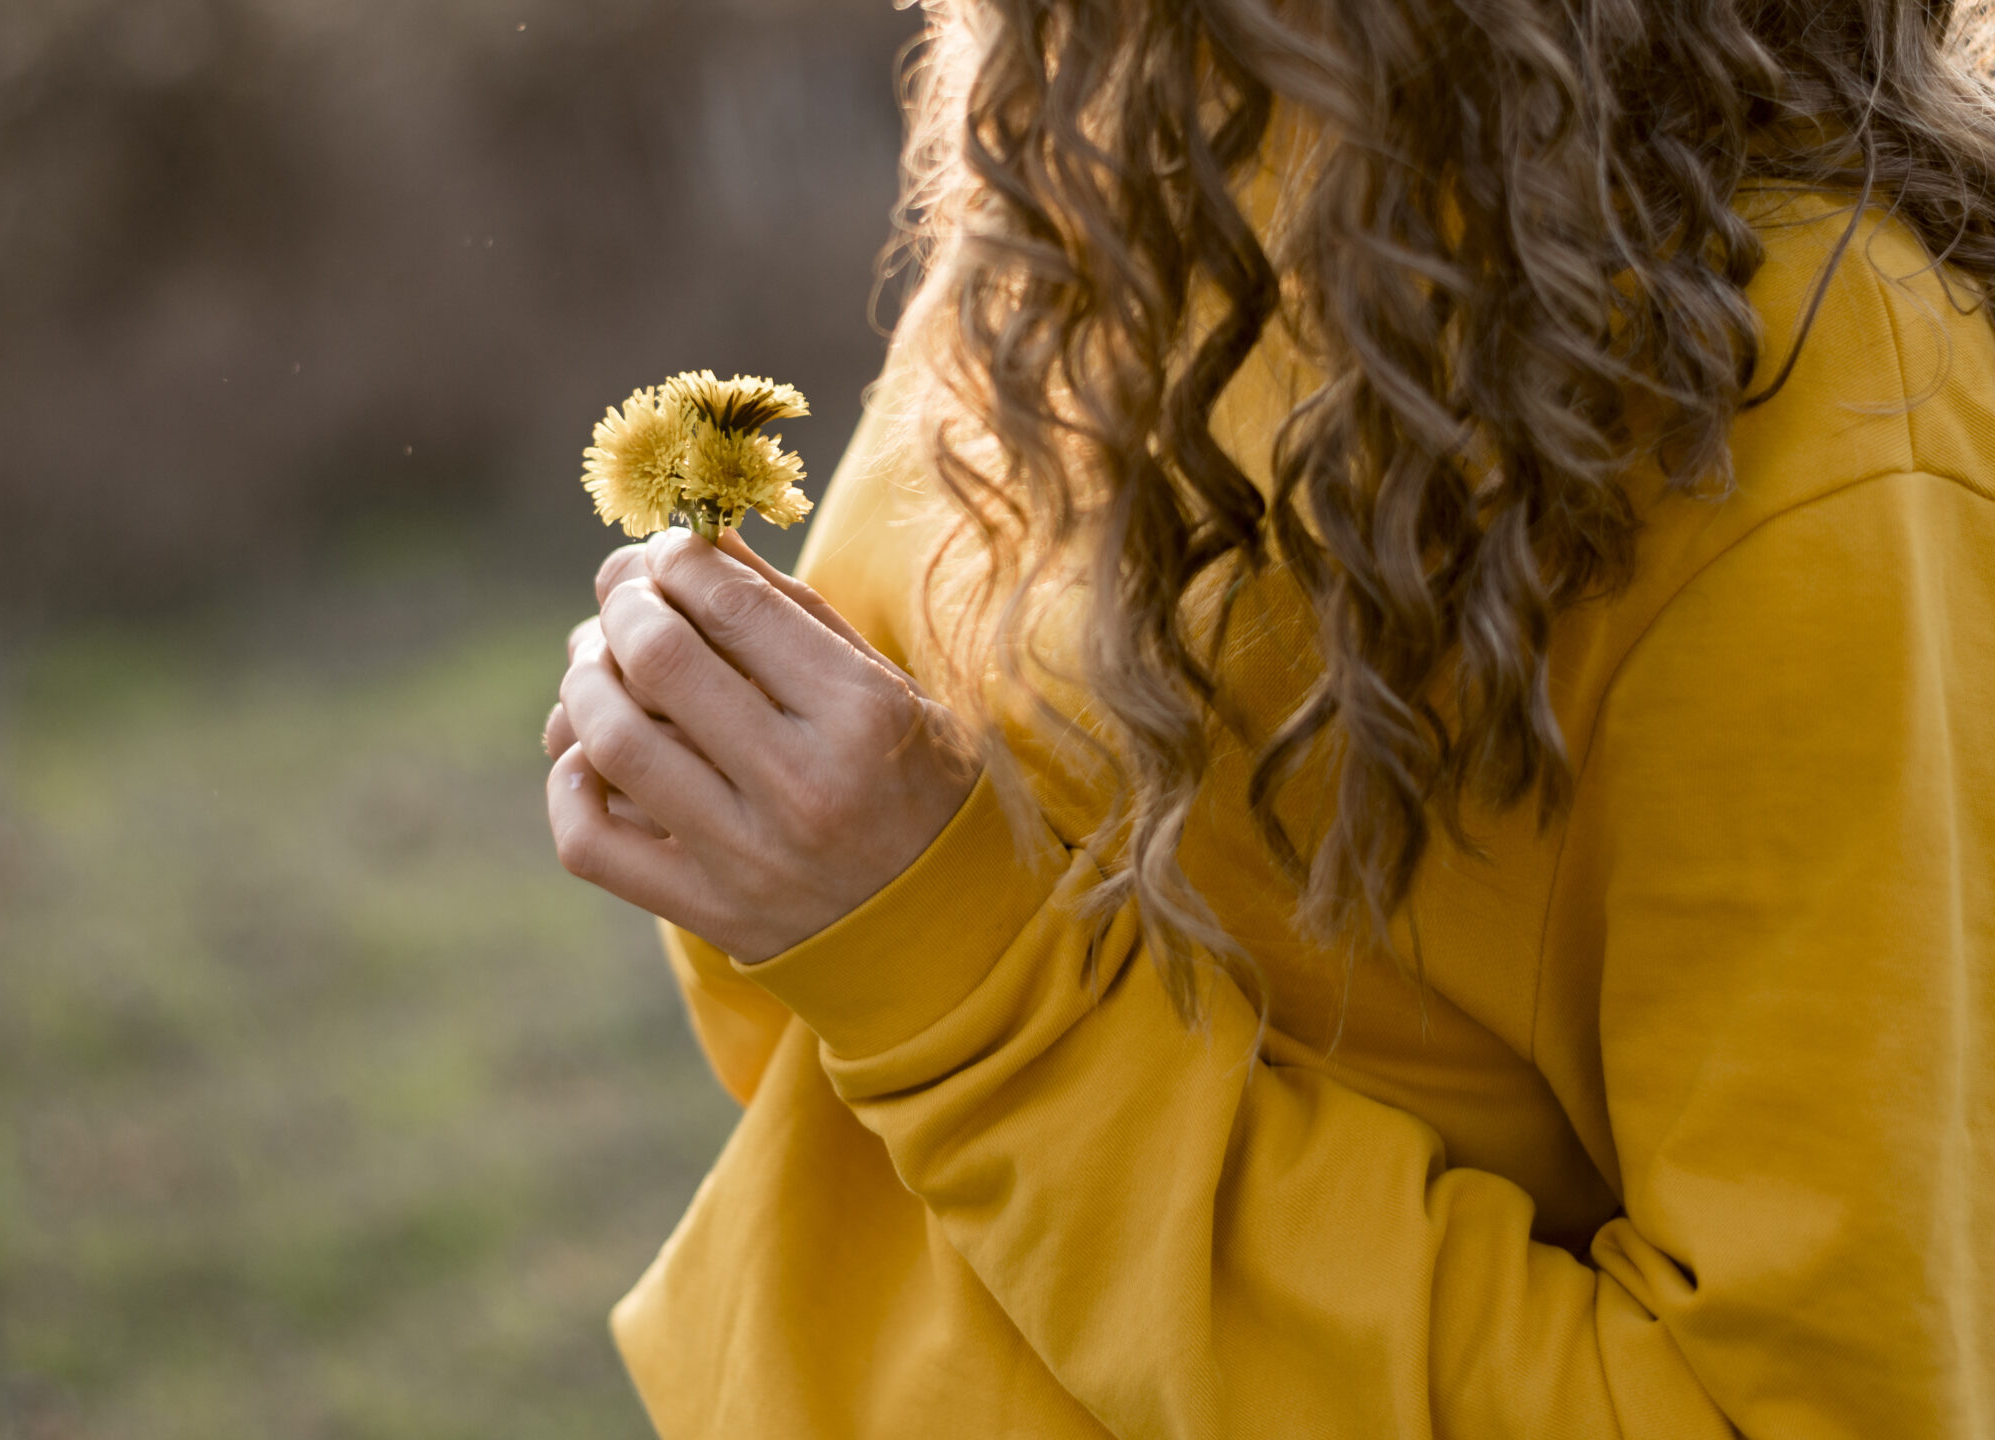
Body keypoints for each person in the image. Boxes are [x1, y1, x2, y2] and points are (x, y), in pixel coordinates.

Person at [542, 0, 1995, 1433]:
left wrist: (966, 991)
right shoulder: (1098, 138)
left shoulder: (1804, 413)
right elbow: (829, 1061)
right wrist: (745, 801)